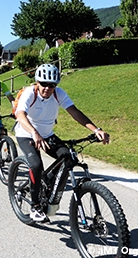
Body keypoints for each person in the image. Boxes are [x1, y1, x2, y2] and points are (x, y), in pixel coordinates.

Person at [14, 64, 110, 222]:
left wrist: (96, 130)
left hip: (47, 134)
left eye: (52, 85)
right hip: (26, 134)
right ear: (37, 82)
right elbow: (20, 115)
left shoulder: (58, 94)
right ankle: (35, 206)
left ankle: (47, 183)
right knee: (36, 165)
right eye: (43, 84)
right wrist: (34, 132)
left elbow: (75, 112)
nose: (47, 88)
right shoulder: (30, 93)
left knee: (68, 157)